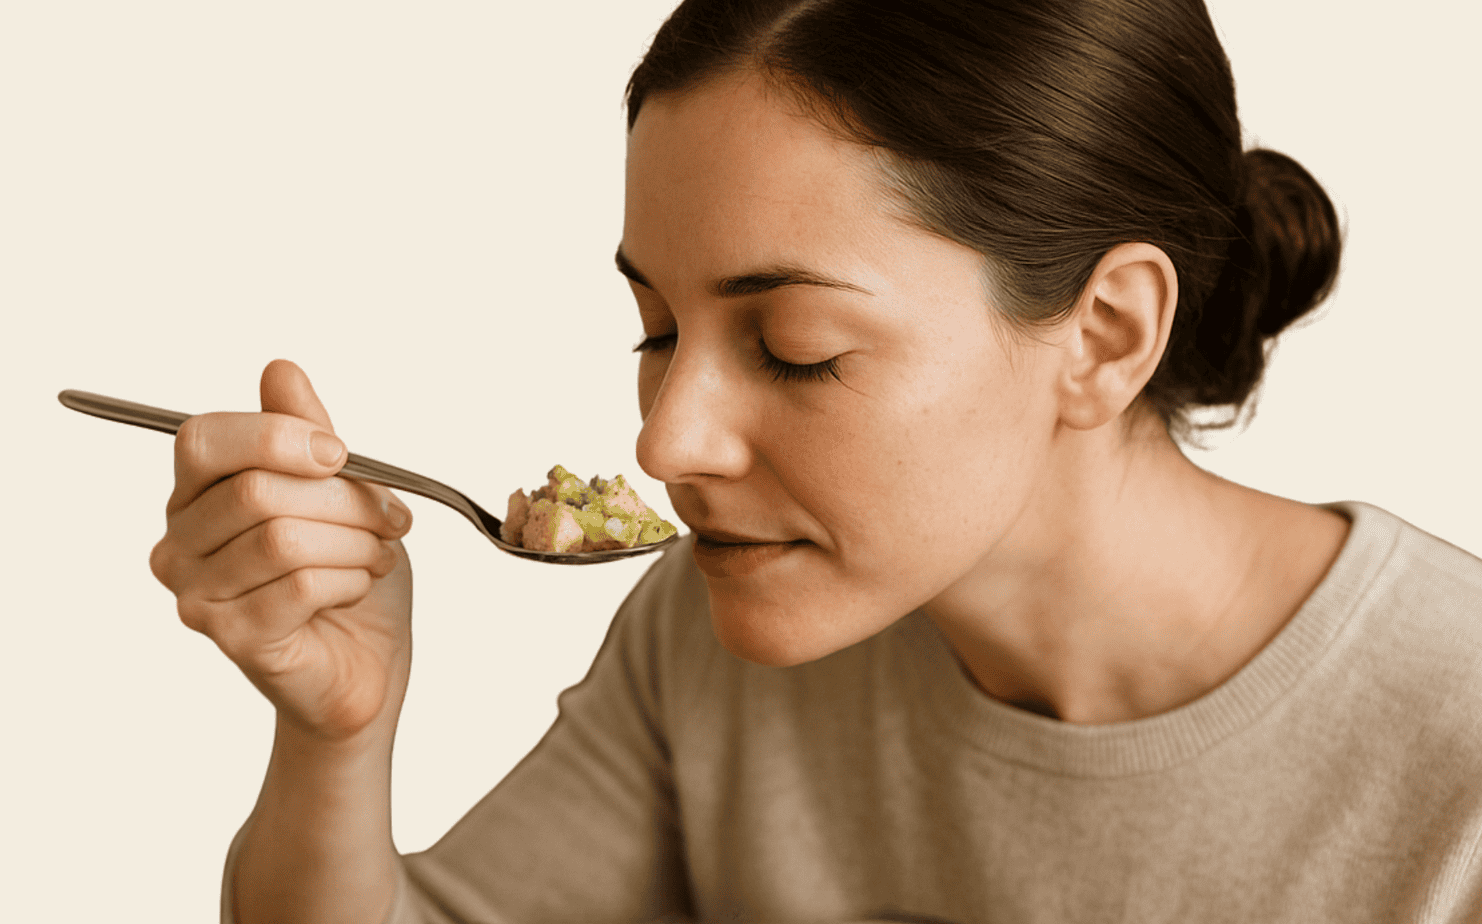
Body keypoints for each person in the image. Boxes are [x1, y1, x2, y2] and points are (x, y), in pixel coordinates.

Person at [148, 0, 1482, 921]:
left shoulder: (1453, 756)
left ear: (1102, 334)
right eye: (656, 329)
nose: (665, 439)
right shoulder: (704, 636)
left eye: (794, 348)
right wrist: (337, 735)